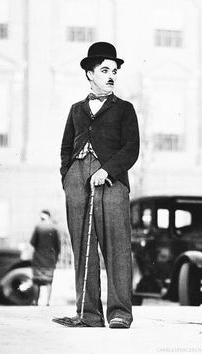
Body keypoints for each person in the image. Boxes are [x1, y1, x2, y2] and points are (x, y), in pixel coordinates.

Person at [53, 42, 139, 328]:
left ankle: (119, 314)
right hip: (77, 178)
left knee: (116, 248)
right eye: (104, 70)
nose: (111, 75)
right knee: (82, 245)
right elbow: (66, 146)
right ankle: (88, 314)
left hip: (111, 181)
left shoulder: (125, 109)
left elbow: (131, 149)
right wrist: (68, 176)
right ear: (90, 73)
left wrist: (107, 170)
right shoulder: (76, 109)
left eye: (114, 71)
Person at [30, 209, 61, 306]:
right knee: (48, 281)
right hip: (49, 259)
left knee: (36, 281)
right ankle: (47, 302)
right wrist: (56, 258)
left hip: (38, 257)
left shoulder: (38, 227)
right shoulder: (54, 229)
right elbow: (57, 246)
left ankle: (35, 301)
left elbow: (32, 242)